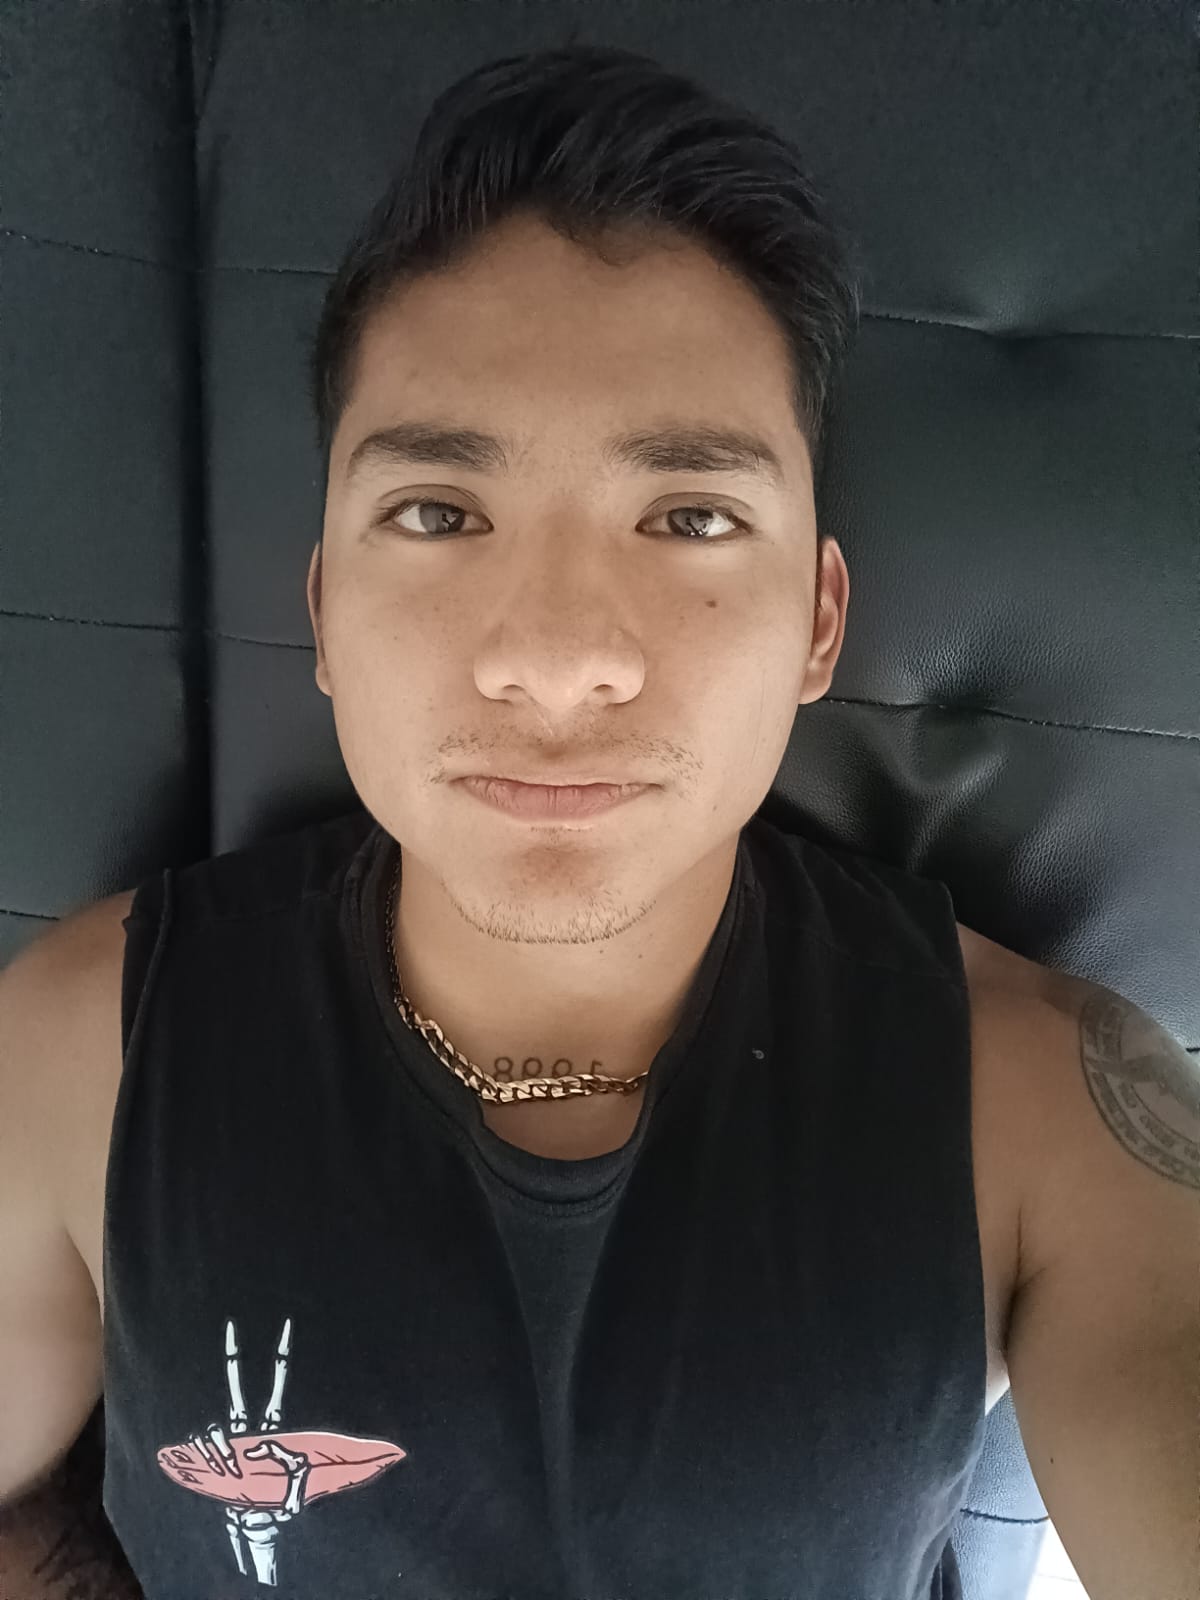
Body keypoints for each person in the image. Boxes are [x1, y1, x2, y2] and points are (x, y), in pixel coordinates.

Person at [5, 42, 1018, 1600]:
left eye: (689, 516)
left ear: (820, 622)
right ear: (325, 611)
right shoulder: (80, 1057)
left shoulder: (1034, 1108)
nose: (551, 663)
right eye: (438, 513)